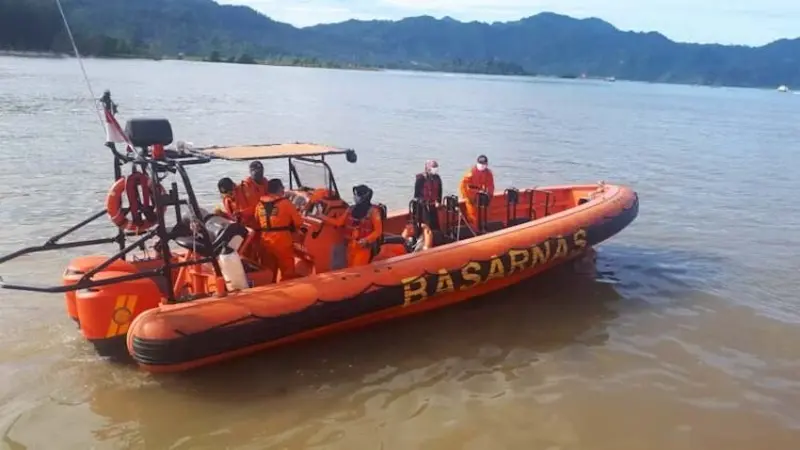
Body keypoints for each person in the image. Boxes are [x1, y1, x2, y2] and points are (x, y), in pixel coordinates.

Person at [320, 184, 383, 267]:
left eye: (357, 195)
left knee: (356, 269)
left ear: (363, 197)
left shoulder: (374, 212)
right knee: (349, 267)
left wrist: (366, 240)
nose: (354, 197)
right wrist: (323, 217)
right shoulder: (351, 209)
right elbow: (339, 222)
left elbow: (378, 231)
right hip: (350, 247)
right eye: (355, 195)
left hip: (363, 248)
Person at [254, 178, 304, 281]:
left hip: (265, 241)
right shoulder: (286, 203)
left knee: (269, 272)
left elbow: (257, 220)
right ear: (279, 189)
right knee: (288, 272)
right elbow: (299, 222)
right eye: (282, 187)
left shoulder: (259, 204)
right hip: (282, 241)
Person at [459, 154, 495, 228]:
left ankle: (484, 229)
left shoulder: (488, 173)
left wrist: (489, 196)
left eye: (484, 164)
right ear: (477, 163)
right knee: (473, 217)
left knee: (486, 216)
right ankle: (474, 232)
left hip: (483, 199)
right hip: (472, 199)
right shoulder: (471, 173)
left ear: (486, 165)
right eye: (480, 164)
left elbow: (491, 186)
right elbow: (463, 186)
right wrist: (468, 198)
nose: (482, 166)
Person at [413, 159, 443, 230]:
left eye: (436, 167)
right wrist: (421, 202)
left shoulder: (437, 178)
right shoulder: (421, 178)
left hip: (433, 205)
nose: (435, 169)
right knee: (426, 224)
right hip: (423, 206)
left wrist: (438, 202)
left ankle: (437, 237)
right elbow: (416, 194)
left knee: (435, 225)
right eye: (433, 167)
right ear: (428, 168)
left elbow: (439, 191)